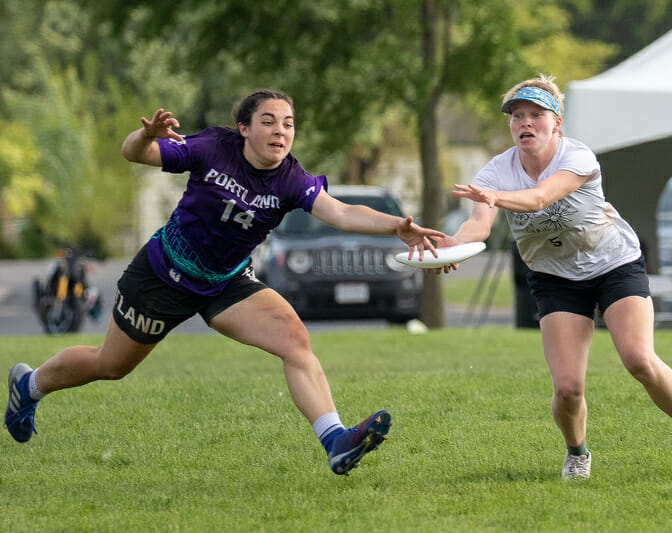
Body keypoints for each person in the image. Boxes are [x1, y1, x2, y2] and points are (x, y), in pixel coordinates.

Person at [5, 89, 445, 476]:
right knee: (111, 365)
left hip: (225, 282)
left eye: (288, 124)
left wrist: (397, 227)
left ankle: (334, 441)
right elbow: (133, 153)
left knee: (294, 340)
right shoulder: (214, 147)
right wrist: (147, 135)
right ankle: (29, 385)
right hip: (162, 274)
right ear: (244, 129)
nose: (281, 131)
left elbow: (343, 213)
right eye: (269, 121)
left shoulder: (291, 177)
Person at [436, 75, 672, 480]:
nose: (524, 123)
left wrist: (496, 197)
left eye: (535, 115)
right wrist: (452, 244)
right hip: (554, 278)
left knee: (638, 359)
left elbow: (541, 197)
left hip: (615, 265)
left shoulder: (577, 157)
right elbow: (479, 224)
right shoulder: (496, 172)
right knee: (566, 387)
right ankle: (577, 454)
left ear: (556, 122)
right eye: (517, 116)